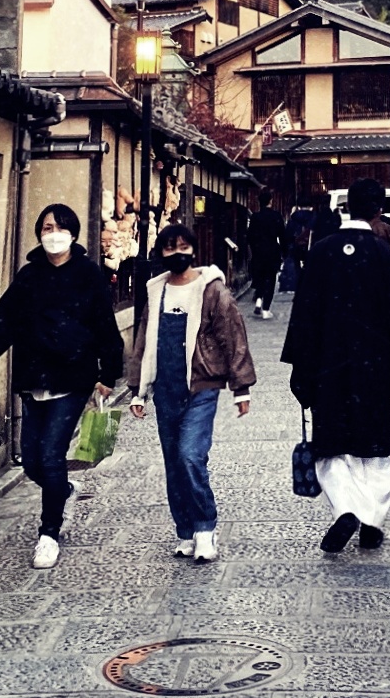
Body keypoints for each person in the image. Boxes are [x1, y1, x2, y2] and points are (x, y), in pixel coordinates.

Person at [0, 203, 123, 570]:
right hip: (33, 377)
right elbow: (1, 320)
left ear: (73, 233)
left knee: (51, 455)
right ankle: (64, 491)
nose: (53, 234)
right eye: (47, 227)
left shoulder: (88, 274)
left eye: (60, 227)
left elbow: (105, 324)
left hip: (73, 378)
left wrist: (108, 374)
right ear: (39, 233)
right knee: (33, 462)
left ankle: (49, 534)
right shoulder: (29, 276)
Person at [281, 178, 390, 554]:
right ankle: (371, 519)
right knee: (375, 446)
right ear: (379, 210)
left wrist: (301, 366)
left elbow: (304, 313)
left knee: (331, 444)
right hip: (374, 364)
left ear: (347, 208)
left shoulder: (322, 252)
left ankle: (346, 509)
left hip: (328, 364)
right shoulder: (386, 256)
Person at [126, 225, 257, 562]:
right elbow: (145, 340)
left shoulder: (211, 289)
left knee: (190, 456)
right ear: (161, 253)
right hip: (166, 388)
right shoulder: (156, 291)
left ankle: (204, 528)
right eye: (170, 248)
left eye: (183, 247)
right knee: (174, 463)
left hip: (202, 386)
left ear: (194, 251)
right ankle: (184, 531)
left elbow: (233, 336)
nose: (177, 254)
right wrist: (138, 390)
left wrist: (241, 387)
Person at [246, 192, 286, 320]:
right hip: (272, 252)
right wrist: (284, 252)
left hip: (258, 253)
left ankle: (258, 301)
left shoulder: (255, 217)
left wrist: (254, 249)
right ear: (270, 201)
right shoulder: (276, 216)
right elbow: (282, 236)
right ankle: (266, 309)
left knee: (260, 278)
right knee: (270, 280)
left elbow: (249, 236)